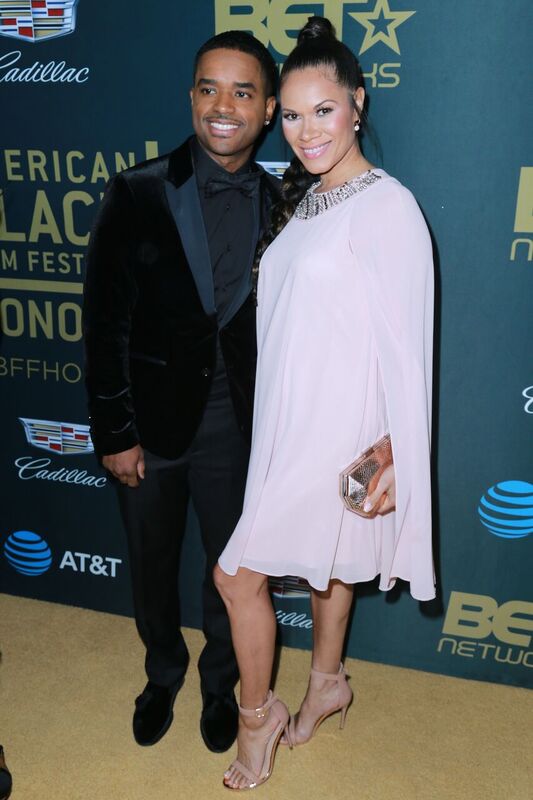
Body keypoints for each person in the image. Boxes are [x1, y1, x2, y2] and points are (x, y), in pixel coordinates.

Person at [214, 15, 435, 790]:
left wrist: (393, 454)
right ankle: (327, 682)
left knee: (235, 576)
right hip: (289, 420)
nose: (307, 131)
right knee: (323, 568)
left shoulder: (388, 207)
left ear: (358, 105)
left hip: (337, 428)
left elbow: (409, 348)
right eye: (295, 113)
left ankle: (257, 721)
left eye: (325, 111)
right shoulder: (310, 200)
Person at [82, 31, 278, 753]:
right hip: (149, 430)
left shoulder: (284, 204)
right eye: (208, 88)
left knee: (231, 576)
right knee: (152, 568)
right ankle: (162, 671)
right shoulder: (137, 190)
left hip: (236, 431)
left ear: (265, 111)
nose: (222, 106)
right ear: (190, 97)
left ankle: (220, 686)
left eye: (242, 92)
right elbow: (104, 323)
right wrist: (115, 434)